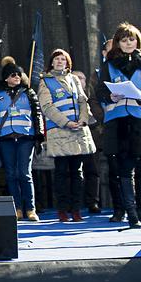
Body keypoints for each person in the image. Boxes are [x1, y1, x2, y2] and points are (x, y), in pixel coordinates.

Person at [96, 22, 141, 229]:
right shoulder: (108, 65)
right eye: (124, 40)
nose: (128, 43)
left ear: (138, 41)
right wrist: (110, 96)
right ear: (117, 43)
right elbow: (99, 92)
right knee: (125, 170)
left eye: (131, 39)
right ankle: (132, 213)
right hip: (119, 121)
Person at [38, 49, 95, 222]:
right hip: (60, 131)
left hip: (78, 131)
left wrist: (83, 120)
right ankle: (62, 210)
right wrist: (66, 122)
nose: (60, 61)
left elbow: (83, 101)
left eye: (63, 59)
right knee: (62, 172)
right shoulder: (45, 82)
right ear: (51, 62)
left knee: (77, 172)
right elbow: (47, 107)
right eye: (57, 59)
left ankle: (76, 209)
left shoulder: (74, 79)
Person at [0, 57, 44, 221]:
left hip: (25, 137)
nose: (17, 78)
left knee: (25, 173)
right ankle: (17, 208)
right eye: (13, 75)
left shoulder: (28, 92)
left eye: (18, 75)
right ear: (6, 77)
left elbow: (37, 113)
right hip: (6, 139)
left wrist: (39, 134)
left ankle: (31, 209)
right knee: (11, 174)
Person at [73, 69, 103, 214]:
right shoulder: (69, 97)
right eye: (76, 77)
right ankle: (75, 203)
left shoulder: (93, 97)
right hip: (72, 136)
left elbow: (99, 115)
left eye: (82, 78)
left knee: (93, 170)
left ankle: (93, 202)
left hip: (92, 137)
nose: (79, 80)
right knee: (74, 172)